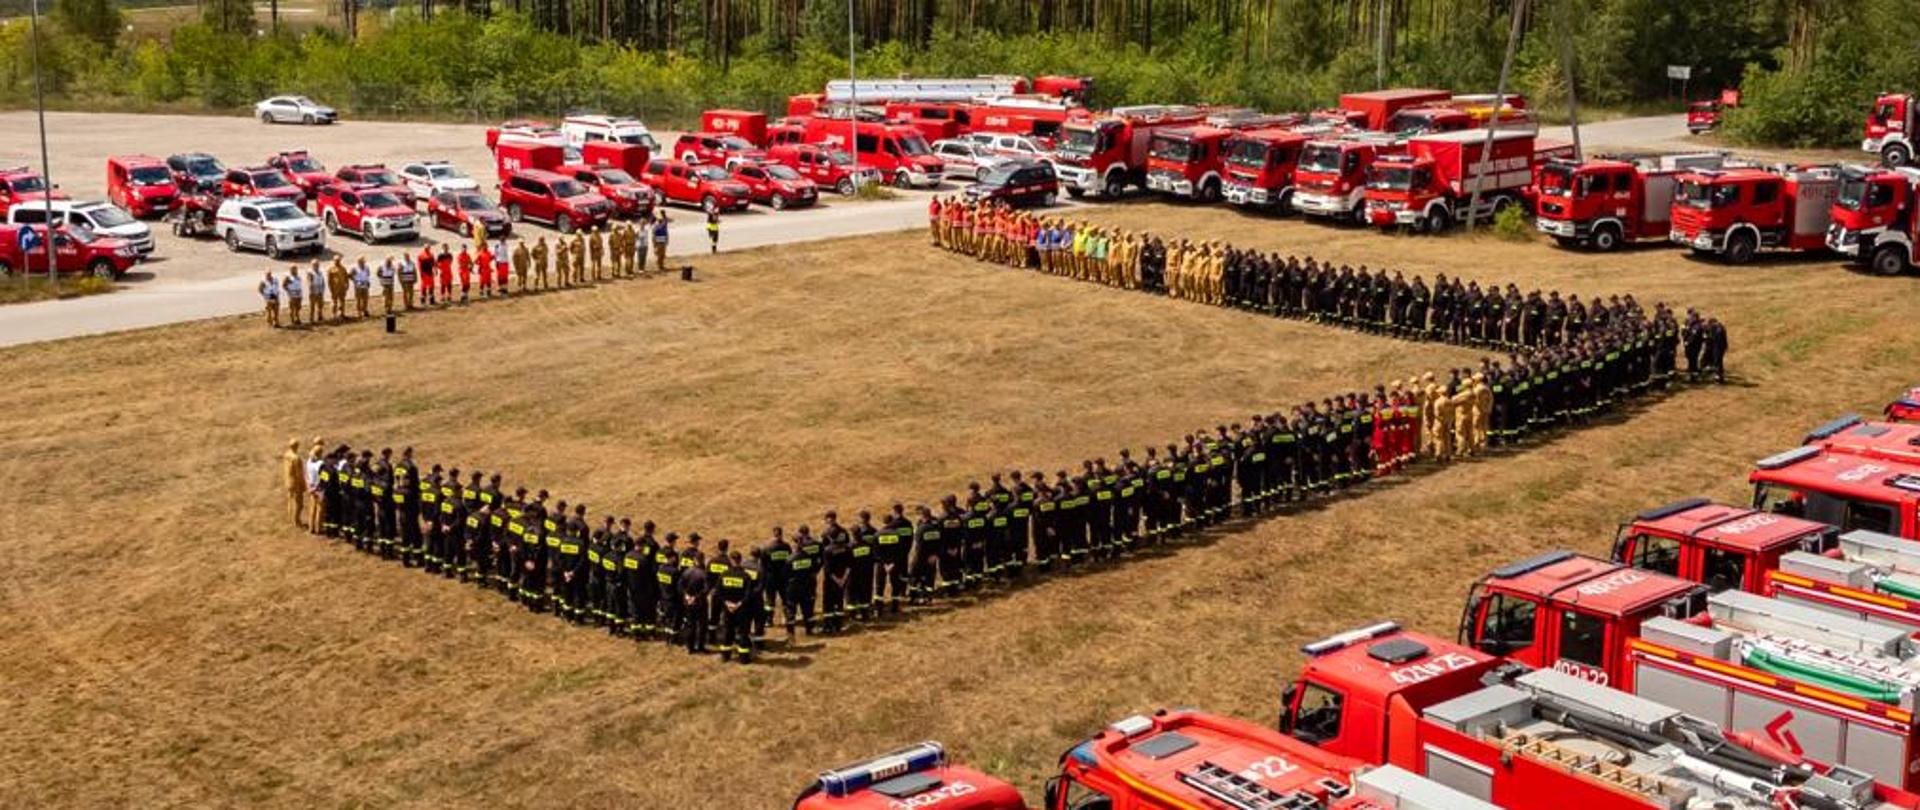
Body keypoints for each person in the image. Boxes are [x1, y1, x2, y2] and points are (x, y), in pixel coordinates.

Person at [717, 550, 752, 662]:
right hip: (741, 609)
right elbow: (748, 594)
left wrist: (727, 603)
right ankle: (743, 658)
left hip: (728, 608)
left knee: (727, 631)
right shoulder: (746, 576)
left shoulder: (724, 575)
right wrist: (738, 604)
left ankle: (725, 655)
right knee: (743, 632)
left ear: (731, 561)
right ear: (740, 560)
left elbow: (719, 591)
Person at [281, 438, 306, 525]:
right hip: (295, 483)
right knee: (299, 503)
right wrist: (303, 484)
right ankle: (296, 520)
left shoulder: (286, 455)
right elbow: (299, 474)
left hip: (288, 481)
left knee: (290, 500)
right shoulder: (296, 458)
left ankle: (290, 518)